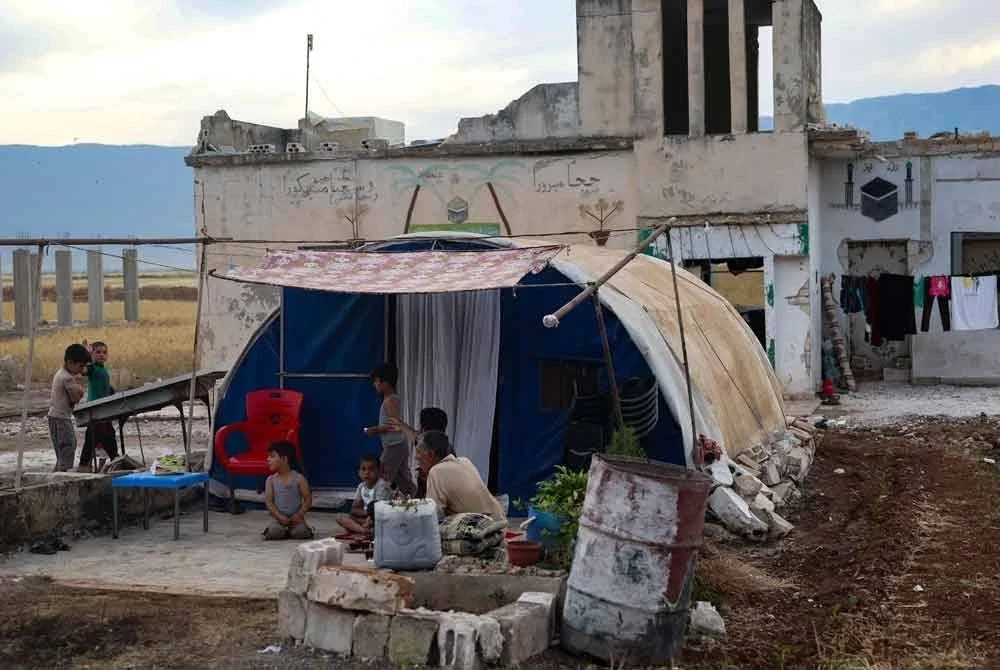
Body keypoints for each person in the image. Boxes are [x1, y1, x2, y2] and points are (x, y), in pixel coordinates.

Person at [417, 430, 506, 520]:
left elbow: (434, 514)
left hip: (482, 528)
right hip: (498, 521)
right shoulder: (465, 461)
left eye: (418, 452)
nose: (416, 457)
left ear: (431, 454)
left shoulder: (435, 471)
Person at [363, 362, 415, 495]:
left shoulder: (390, 400)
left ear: (384, 383)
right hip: (397, 444)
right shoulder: (390, 399)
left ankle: (375, 507)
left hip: (394, 445)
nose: (375, 385)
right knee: (403, 479)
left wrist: (374, 430)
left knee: (381, 475)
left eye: (376, 382)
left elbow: (394, 425)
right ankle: (417, 498)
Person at [389, 407, 449, 498]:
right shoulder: (444, 447)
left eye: (420, 428)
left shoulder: (433, 467)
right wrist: (401, 425)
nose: (416, 457)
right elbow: (415, 436)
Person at [78, 340, 119, 471]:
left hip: (104, 410)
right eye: (98, 352)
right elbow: (83, 371)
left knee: (98, 438)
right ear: (92, 354)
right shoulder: (92, 368)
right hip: (96, 410)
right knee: (97, 438)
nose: (102, 355)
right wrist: (86, 356)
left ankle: (112, 460)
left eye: (104, 352)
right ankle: (114, 460)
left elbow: (105, 387)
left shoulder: (103, 370)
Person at [48, 344, 89, 472]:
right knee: (68, 448)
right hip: (61, 418)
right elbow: (76, 398)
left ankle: (55, 476)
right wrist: (81, 390)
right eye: (81, 366)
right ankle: (62, 478)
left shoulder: (60, 373)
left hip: (54, 417)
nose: (82, 370)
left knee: (62, 451)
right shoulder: (67, 378)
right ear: (70, 362)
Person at [263, 441, 314, 541]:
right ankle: (281, 531)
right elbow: (269, 502)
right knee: (275, 532)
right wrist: (279, 516)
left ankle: (297, 530)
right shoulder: (271, 480)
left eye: (272, 456)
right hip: (279, 519)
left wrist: (299, 514)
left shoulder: (299, 478)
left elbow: (308, 499)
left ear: (284, 459)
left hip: (296, 519)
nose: (268, 459)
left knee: (300, 532)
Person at [334, 454, 391, 536]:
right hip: (365, 519)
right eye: (363, 469)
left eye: (371, 469)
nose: (367, 473)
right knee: (340, 517)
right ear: (359, 472)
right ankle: (364, 531)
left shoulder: (381, 485)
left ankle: (359, 529)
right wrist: (365, 513)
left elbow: (379, 509)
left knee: (379, 519)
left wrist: (367, 515)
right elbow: (354, 509)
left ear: (378, 471)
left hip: (380, 518)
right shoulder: (361, 486)